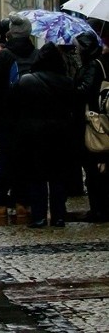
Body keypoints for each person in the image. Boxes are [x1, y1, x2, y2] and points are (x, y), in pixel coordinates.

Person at [10, 43, 78, 227]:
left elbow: (14, 109)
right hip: (61, 134)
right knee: (58, 177)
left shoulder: (26, 81)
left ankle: (39, 216)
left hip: (34, 135)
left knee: (36, 176)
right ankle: (58, 216)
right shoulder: (67, 83)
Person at [0, 13, 36, 217]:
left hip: (7, 117)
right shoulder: (36, 54)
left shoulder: (3, 56)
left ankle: (0, 202)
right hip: (31, 116)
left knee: (6, 160)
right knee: (26, 160)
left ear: (10, 33)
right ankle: (23, 202)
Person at [73, 30, 109, 222]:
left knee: (94, 169)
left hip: (94, 122)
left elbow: (85, 91)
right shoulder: (99, 63)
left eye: (78, 47)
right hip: (101, 119)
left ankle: (99, 209)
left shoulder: (94, 66)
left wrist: (71, 87)